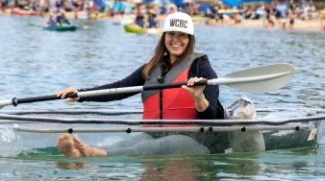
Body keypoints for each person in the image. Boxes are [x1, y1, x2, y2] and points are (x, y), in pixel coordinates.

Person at [56, 11, 225, 157]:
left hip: (194, 141)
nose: (176, 40)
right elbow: (119, 89)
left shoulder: (202, 69)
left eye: (182, 35)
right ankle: (79, 156)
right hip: (155, 135)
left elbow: (211, 118)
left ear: (190, 39)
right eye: (171, 34)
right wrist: (81, 94)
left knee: (150, 146)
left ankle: (93, 154)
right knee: (127, 143)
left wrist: (199, 98)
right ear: (164, 36)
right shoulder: (151, 69)